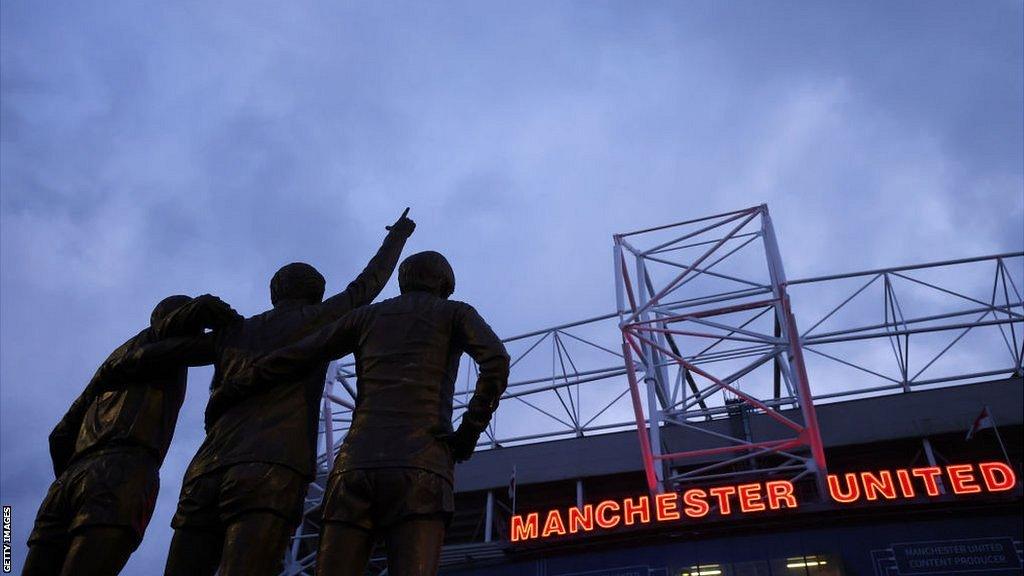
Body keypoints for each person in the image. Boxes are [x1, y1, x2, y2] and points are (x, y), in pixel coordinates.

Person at [163, 209, 415, 576]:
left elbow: (165, 351)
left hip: (206, 467)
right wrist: (399, 235)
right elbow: (367, 285)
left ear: (273, 292)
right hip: (273, 467)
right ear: (318, 294)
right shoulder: (318, 319)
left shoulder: (234, 333)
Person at [247, 250, 510, 576]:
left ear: (403, 282)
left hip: (354, 465)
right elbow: (496, 360)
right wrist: (469, 431)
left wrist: (246, 376)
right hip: (422, 465)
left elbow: (301, 353)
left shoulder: (366, 317)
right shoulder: (454, 313)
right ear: (444, 284)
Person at [23, 294, 241, 576]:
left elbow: (59, 436)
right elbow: (205, 307)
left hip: (69, 478)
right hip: (122, 471)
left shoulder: (111, 366)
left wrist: (73, 479)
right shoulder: (156, 344)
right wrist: (244, 330)